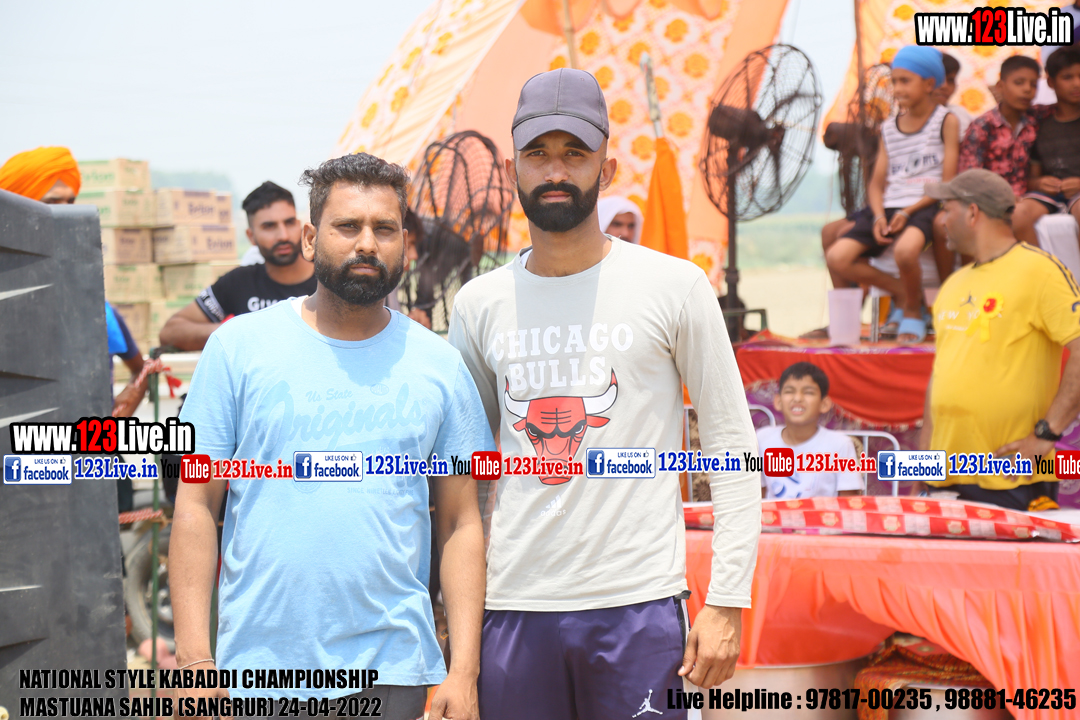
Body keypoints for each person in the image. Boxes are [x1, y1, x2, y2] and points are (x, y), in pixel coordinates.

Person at [448, 68, 760, 720]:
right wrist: (460, 645)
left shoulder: (675, 287)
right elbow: (465, 482)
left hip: (638, 606)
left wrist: (728, 600)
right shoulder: (479, 304)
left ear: (607, 168)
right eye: (538, 153)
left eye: (575, 153)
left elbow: (732, 448)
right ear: (511, 170)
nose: (555, 170)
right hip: (514, 607)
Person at [171, 153, 492, 720]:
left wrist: (463, 670)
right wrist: (194, 659)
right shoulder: (238, 349)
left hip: (391, 671)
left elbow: (460, 522)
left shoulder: (439, 365)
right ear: (311, 239)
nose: (367, 243)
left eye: (384, 228)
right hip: (259, 673)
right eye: (348, 226)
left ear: (404, 243)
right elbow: (196, 504)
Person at [920, 169, 1080, 511]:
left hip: (1014, 477)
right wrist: (922, 469)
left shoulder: (1041, 271)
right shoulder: (953, 284)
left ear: (972, 212)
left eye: (947, 209)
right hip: (944, 479)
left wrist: (1046, 435)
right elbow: (939, 380)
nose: (942, 220)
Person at [0, 146, 149, 417]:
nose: (66, 214)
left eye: (70, 202)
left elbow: (141, 369)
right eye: (51, 203)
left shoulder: (95, 305)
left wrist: (119, 414)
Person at [826, 46, 960, 343]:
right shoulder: (889, 128)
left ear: (929, 84)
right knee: (837, 257)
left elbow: (947, 182)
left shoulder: (946, 121)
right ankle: (906, 295)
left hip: (925, 204)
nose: (897, 89)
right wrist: (877, 216)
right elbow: (876, 184)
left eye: (905, 81)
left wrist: (907, 212)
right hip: (888, 207)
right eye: (895, 81)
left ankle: (912, 310)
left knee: (905, 251)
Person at [158, 181, 316, 350]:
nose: (283, 235)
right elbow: (170, 332)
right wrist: (239, 330)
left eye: (289, 223)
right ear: (251, 236)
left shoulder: (327, 279)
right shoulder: (239, 282)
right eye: (269, 226)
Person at [756, 362, 863, 500]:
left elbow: (850, 503)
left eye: (808, 392)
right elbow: (756, 496)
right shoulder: (762, 439)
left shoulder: (840, 445)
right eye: (789, 391)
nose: (797, 398)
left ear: (824, 404)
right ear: (778, 401)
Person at [1012, 47, 1080, 247]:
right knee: (1017, 214)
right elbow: (1033, 176)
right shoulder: (1040, 124)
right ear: (1051, 82)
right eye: (1067, 77)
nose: (1077, 83)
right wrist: (1039, 183)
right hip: (1049, 195)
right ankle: (1041, 266)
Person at [958, 55, 1044, 199]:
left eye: (1034, 84)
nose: (1027, 89)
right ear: (1000, 86)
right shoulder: (982, 126)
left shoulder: (1036, 118)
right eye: (1019, 83)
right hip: (989, 201)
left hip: (1028, 200)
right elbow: (969, 177)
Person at [936, 53, 973, 138]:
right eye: (939, 78)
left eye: (950, 80)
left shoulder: (959, 116)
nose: (944, 86)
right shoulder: (904, 115)